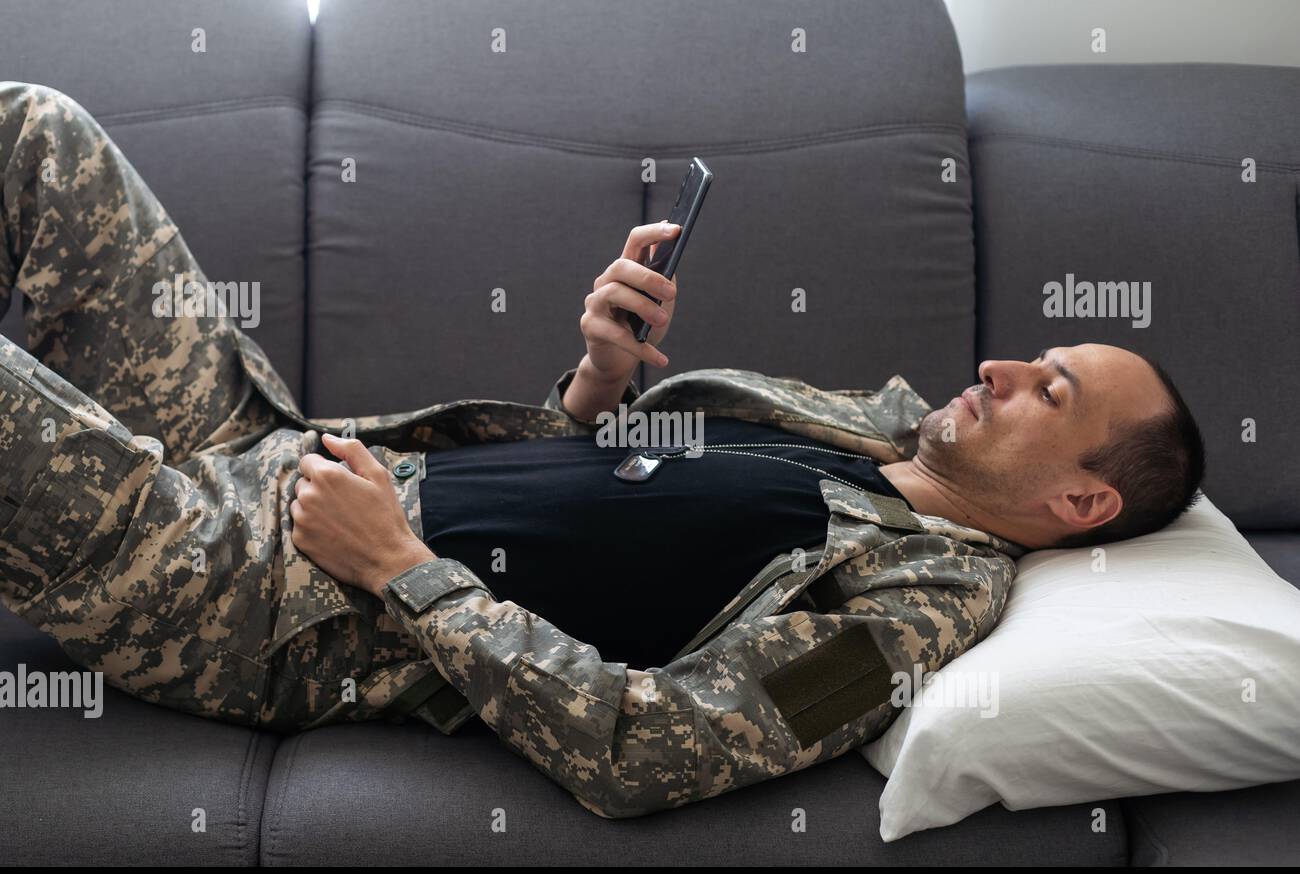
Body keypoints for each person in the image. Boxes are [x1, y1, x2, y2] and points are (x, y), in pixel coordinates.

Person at [0, 83, 1204, 818]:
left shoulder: (907, 618)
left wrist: (398, 567)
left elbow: (652, 747)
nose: (1000, 370)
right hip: (277, 447)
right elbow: (605, 492)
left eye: (1048, 389)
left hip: (255, 590)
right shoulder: (868, 425)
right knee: (39, 130)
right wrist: (595, 383)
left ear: (1083, 498)